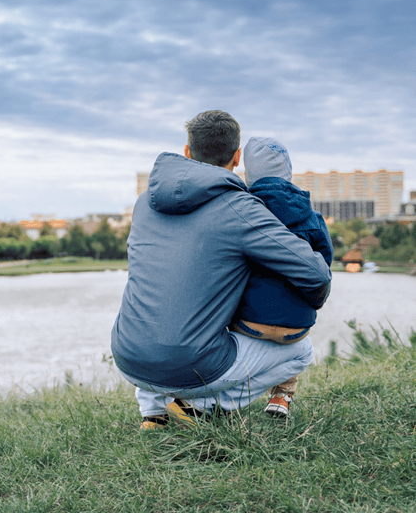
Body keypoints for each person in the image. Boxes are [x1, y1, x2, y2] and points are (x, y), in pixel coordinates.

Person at [110, 110, 332, 429]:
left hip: (128, 355)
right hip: (188, 364)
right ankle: (200, 408)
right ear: (237, 157)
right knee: (300, 352)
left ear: (187, 151)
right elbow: (315, 273)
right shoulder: (239, 208)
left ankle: (155, 411)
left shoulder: (145, 203)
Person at [229, 137, 333, 417]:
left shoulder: (243, 211)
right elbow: (324, 265)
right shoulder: (312, 217)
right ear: (289, 172)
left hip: (248, 324)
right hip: (297, 328)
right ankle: (283, 396)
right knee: (290, 339)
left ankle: (224, 397)